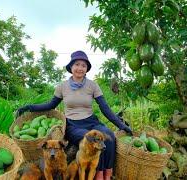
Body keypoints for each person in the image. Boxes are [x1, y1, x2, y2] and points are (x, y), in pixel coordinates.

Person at [16, 50, 132, 180]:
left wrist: (122, 125)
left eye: (83, 65)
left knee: (108, 136)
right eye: (77, 64)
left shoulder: (93, 85)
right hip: (73, 124)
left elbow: (105, 108)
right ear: (71, 67)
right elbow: (50, 105)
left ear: (86, 68)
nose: (80, 68)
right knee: (91, 141)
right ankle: (99, 174)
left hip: (91, 122)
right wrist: (28, 107)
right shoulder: (62, 87)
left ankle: (108, 173)